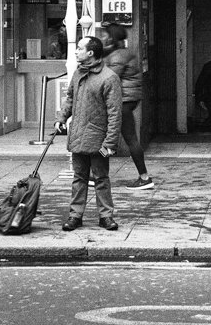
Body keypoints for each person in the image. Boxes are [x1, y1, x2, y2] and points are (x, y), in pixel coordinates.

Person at [56, 36, 123, 231]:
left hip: (100, 141)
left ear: (90, 53)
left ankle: (106, 216)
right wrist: (61, 118)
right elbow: (70, 98)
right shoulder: (78, 73)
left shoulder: (109, 78)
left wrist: (110, 144)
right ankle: (75, 215)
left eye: (79, 48)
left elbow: (115, 113)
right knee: (79, 177)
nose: (76, 51)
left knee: (101, 177)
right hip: (78, 136)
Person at [102, 24, 153, 190]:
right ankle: (97, 174)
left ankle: (144, 177)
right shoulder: (120, 53)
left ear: (111, 37)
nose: (103, 38)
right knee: (112, 137)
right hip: (125, 100)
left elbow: (109, 78)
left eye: (105, 35)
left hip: (122, 101)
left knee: (128, 138)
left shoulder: (119, 55)